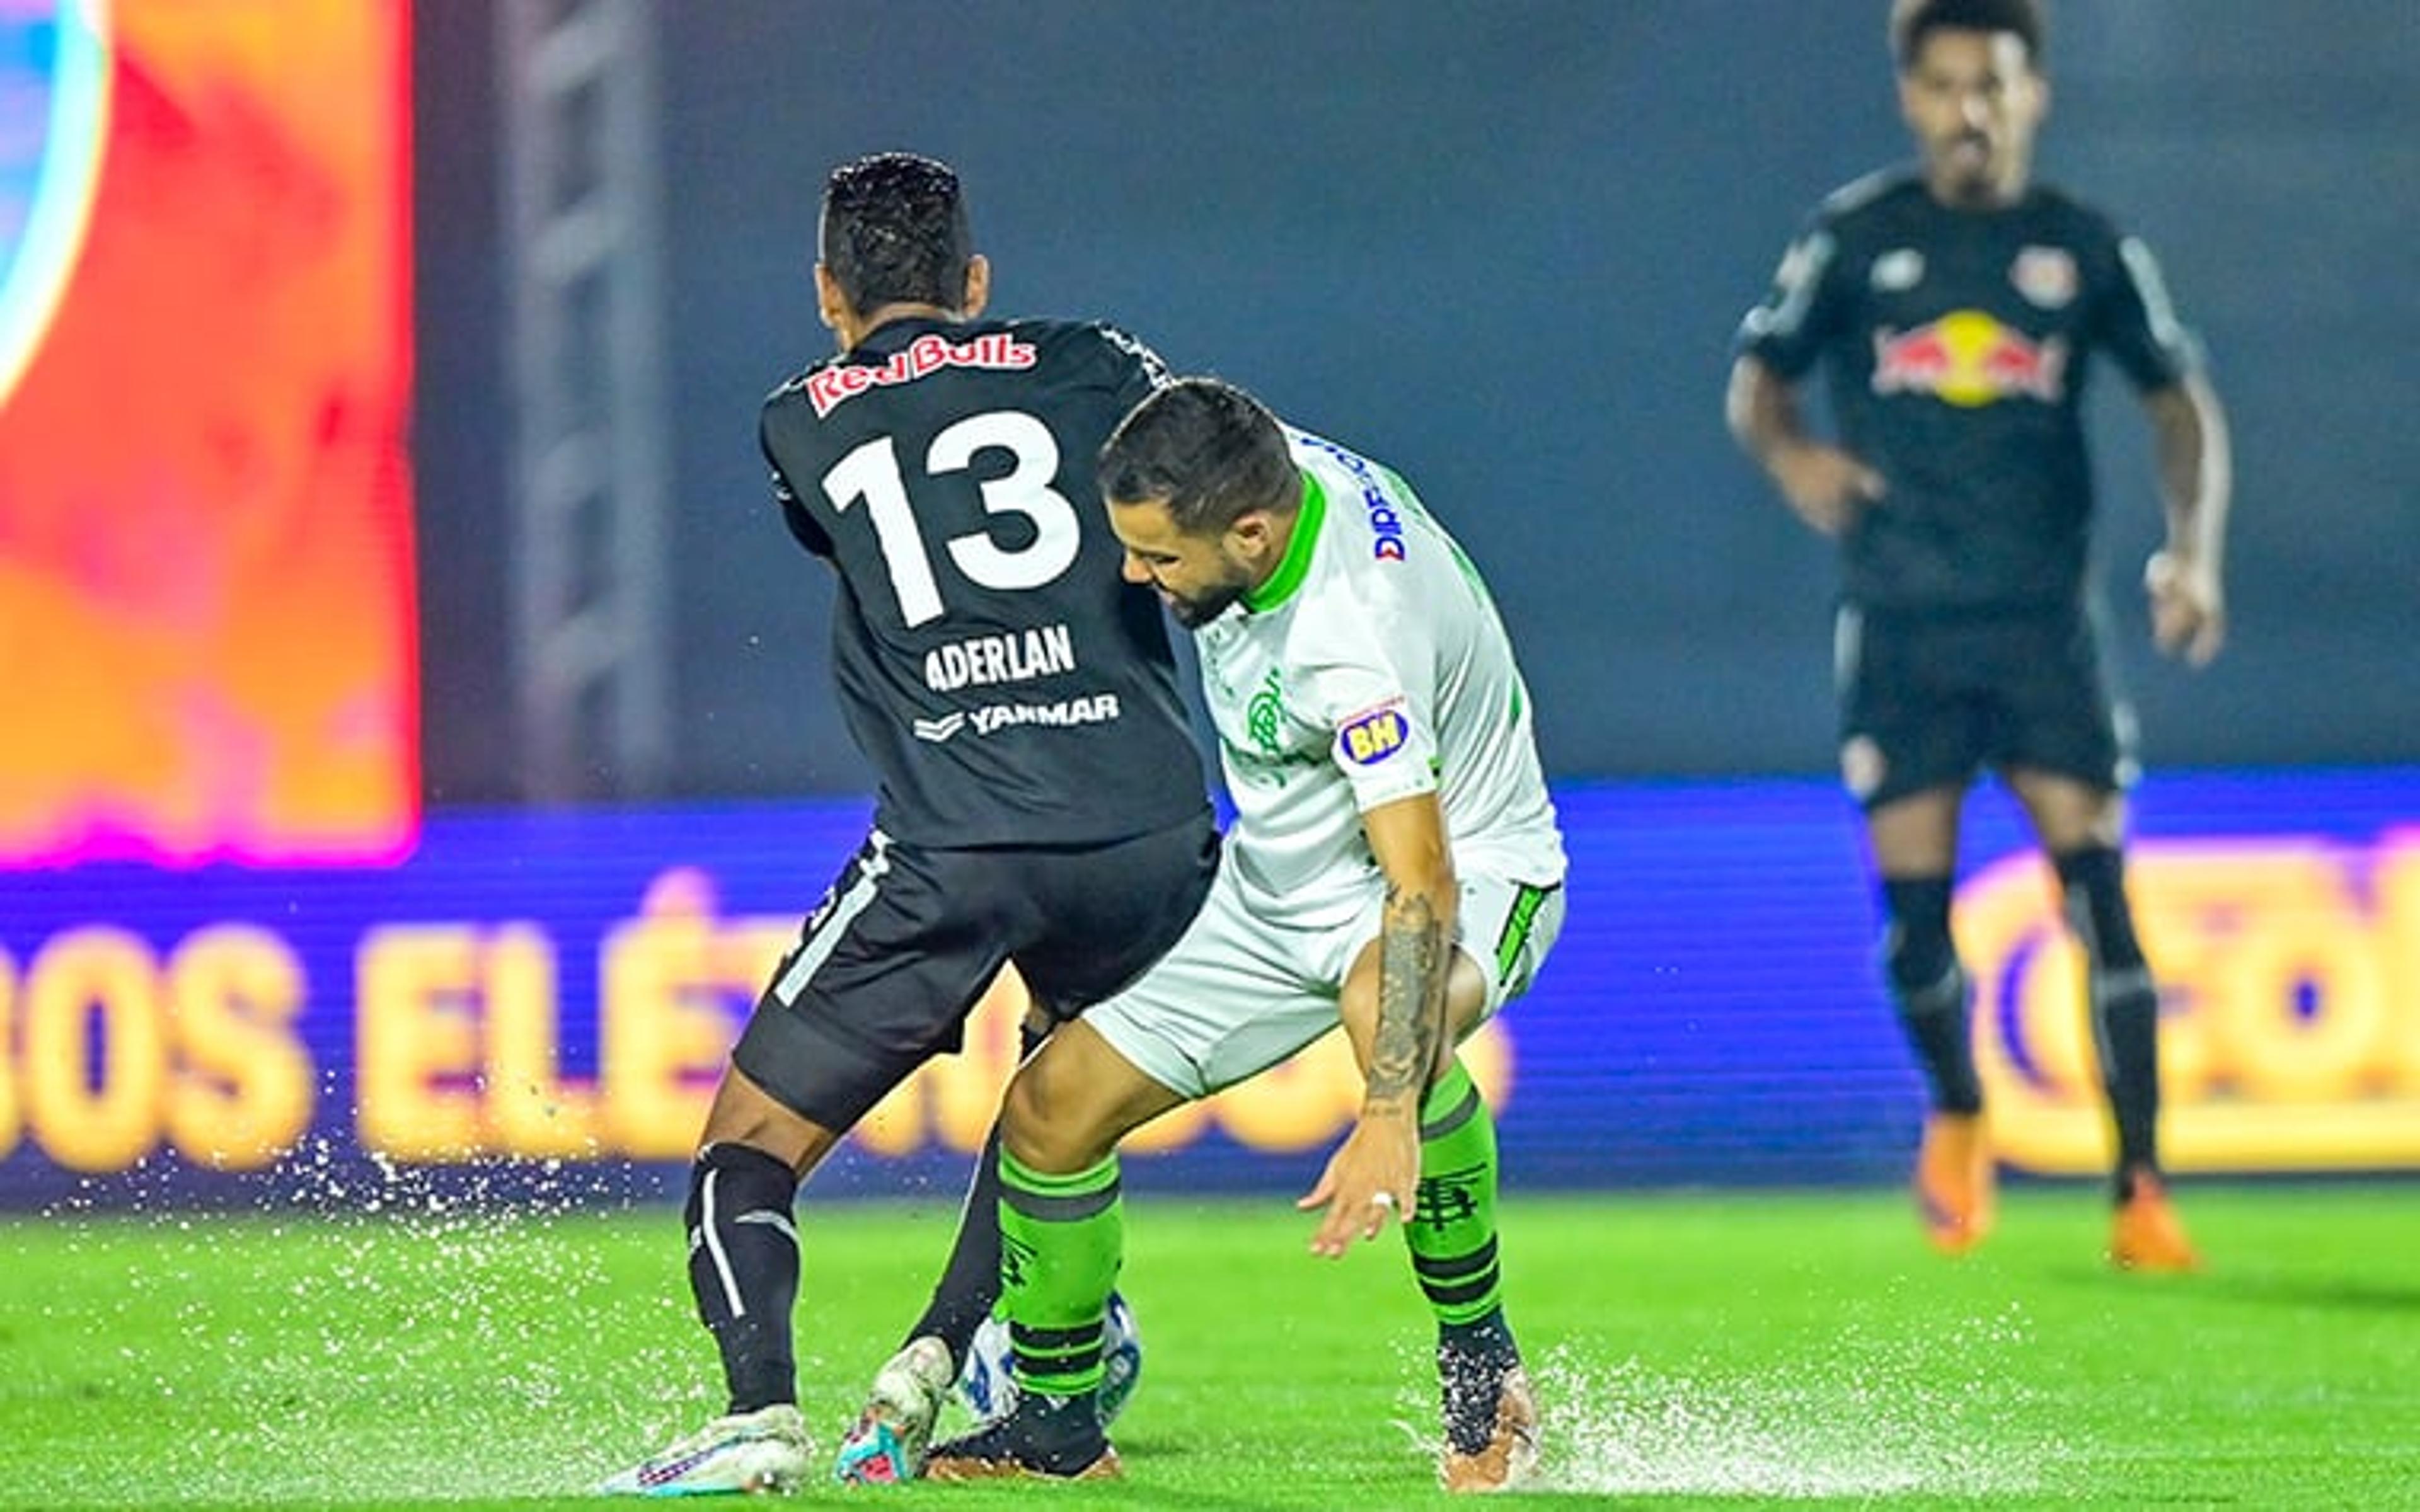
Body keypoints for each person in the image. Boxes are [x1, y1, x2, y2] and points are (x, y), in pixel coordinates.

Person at [600, 152, 1219, 1496]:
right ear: (978, 285)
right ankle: (943, 1359)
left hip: (958, 831)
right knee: (1060, 1117)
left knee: (746, 1153)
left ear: (829, 294)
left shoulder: (795, 420)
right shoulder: (1095, 358)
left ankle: (761, 1414)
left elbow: (869, 542)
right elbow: (1193, 479)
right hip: (1147, 827)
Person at [907, 377, 1568, 1491]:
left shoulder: (1353, 638)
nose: (1137, 577)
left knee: (1382, 1013)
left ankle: (1483, 1375)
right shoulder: (1247, 461)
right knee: (1048, 1110)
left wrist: (1387, 1110)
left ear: (1251, 535)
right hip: (1276, 888)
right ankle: (1057, 1430)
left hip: (1477, 869)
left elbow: (1420, 885)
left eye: (1162, 560)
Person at [1726, 0, 2230, 1271]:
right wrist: (1793, 462)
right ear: (1913, 96)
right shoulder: (1859, 238)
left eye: (1994, 85)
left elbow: (2181, 404)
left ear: (2033, 94)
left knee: (2100, 899)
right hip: (1900, 627)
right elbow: (1759, 376)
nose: (1972, 110)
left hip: (2041, 628)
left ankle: (2142, 1190)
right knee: (1915, 917)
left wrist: (2194, 554)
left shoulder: (2082, 248)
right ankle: (1959, 1115)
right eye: (1949, 85)